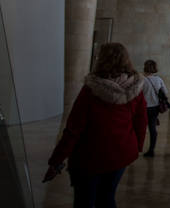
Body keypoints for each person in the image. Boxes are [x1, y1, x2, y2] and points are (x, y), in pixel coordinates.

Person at [44, 42, 147, 206]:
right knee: (107, 198)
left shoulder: (91, 90)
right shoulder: (135, 89)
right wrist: (137, 146)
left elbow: (73, 129)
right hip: (120, 153)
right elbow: (141, 121)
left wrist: (57, 159)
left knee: (84, 201)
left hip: (90, 156)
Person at [141, 59, 169, 157]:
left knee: (140, 128)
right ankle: (151, 150)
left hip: (143, 108)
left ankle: (137, 148)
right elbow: (165, 93)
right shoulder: (158, 79)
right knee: (152, 128)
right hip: (155, 108)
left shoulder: (142, 80)